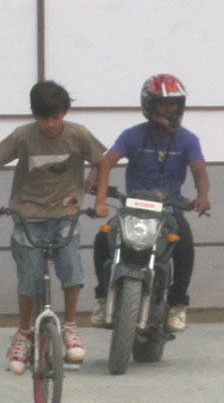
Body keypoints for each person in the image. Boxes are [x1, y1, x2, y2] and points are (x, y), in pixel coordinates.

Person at [0, 80, 110, 375]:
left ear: (64, 112)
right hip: (28, 216)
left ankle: (70, 325)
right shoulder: (23, 137)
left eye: (55, 116)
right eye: (43, 117)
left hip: (65, 215)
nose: (50, 124)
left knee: (72, 269)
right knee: (29, 278)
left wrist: (100, 201)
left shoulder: (78, 134)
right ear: (34, 115)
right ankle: (23, 333)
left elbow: (103, 162)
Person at [86, 74, 211, 332]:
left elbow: (199, 169)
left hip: (170, 212)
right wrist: (93, 179)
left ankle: (178, 305)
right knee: (102, 240)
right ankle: (102, 298)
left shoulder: (188, 139)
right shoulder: (132, 136)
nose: (169, 109)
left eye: (174, 103)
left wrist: (202, 195)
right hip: (133, 209)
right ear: (149, 105)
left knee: (185, 245)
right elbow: (107, 160)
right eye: (163, 103)